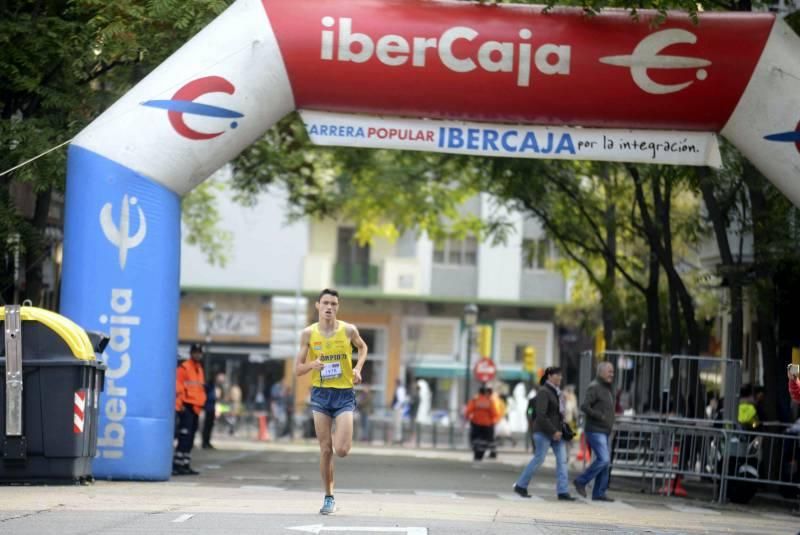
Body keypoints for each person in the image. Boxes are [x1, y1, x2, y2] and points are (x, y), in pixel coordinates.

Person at [295, 288, 368, 515]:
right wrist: (311, 365)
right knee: (326, 449)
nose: (329, 307)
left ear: (338, 307)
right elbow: (298, 369)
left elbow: (363, 347)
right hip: (321, 394)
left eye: (333, 304)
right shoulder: (308, 333)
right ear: (318, 306)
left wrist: (357, 368)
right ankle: (329, 497)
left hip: (344, 394)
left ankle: (340, 434)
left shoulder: (348, 330)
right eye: (325, 303)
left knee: (342, 449)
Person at [513, 367, 576, 501]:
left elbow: (559, 414)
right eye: (557, 375)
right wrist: (553, 431)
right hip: (543, 432)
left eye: (561, 375)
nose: (560, 377)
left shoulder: (557, 393)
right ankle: (520, 485)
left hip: (557, 433)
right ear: (549, 376)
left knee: (562, 461)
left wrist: (560, 429)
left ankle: (563, 491)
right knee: (539, 459)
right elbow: (540, 415)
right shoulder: (543, 392)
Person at [573, 362, 616, 502]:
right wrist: (600, 416)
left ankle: (599, 493)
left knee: (605, 462)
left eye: (613, 371)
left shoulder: (607, 388)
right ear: (601, 372)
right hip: (595, 429)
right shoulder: (594, 387)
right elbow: (584, 406)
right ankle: (581, 481)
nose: (612, 374)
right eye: (609, 371)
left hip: (604, 430)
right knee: (604, 459)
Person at [173, 343, 207, 475]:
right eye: (195, 352)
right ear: (191, 353)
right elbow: (179, 387)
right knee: (184, 436)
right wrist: (179, 405)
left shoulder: (199, 368)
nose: (197, 354)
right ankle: (177, 464)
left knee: (191, 437)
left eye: (199, 352)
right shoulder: (184, 368)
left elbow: (199, 387)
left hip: (196, 407)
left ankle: (185, 463)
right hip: (186, 406)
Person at [465, 385, 498, 461]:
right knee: (486, 440)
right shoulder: (489, 401)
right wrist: (492, 421)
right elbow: (494, 413)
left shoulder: (475, 400)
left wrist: (467, 418)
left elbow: (468, 411)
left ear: (479, 392)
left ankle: (476, 452)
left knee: (475, 438)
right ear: (485, 392)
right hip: (487, 424)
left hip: (476, 423)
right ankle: (482, 452)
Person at [202, 372, 225, 449]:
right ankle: (205, 442)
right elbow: (207, 396)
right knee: (207, 426)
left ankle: (207, 441)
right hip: (208, 407)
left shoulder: (218, 387)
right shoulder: (209, 386)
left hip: (213, 408)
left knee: (210, 425)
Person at [391, 379, 408, 444]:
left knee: (397, 424)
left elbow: (401, 400)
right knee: (396, 424)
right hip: (398, 408)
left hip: (398, 409)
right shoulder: (400, 389)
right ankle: (397, 438)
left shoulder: (400, 389)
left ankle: (398, 438)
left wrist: (396, 406)